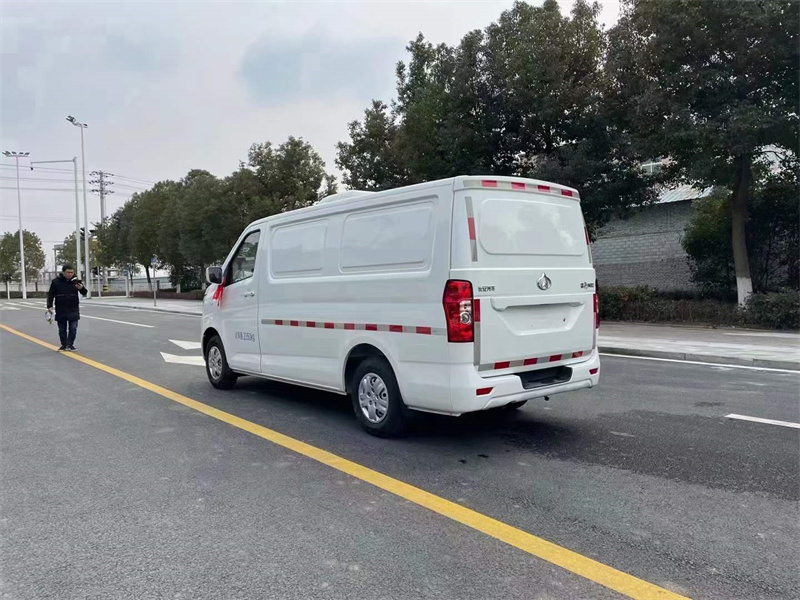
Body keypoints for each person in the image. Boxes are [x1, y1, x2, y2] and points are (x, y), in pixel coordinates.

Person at [47, 264, 87, 351]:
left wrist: (81, 288)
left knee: (73, 328)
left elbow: (84, 292)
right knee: (62, 329)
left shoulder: (76, 281)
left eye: (71, 272)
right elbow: (50, 294)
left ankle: (70, 344)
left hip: (73, 308)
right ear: (63, 272)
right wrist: (49, 306)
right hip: (61, 308)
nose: (70, 274)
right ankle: (64, 345)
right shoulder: (56, 282)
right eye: (68, 272)